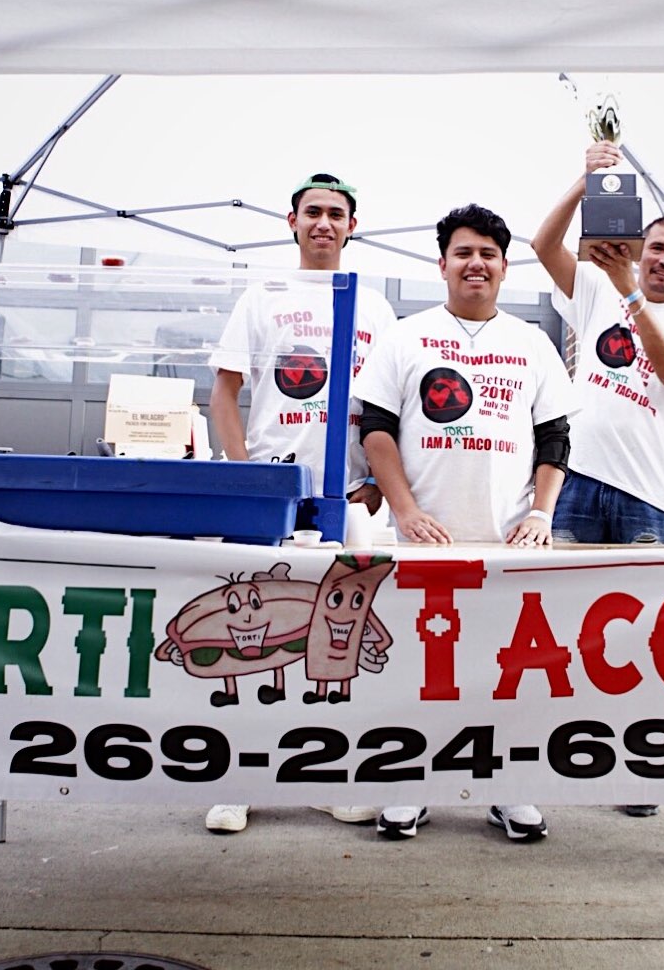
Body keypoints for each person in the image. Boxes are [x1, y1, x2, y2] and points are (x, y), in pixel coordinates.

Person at [353, 203, 573, 843]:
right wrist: (405, 509)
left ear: (505, 266)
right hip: (424, 542)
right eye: (464, 253)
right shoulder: (406, 336)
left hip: (509, 543)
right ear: (442, 263)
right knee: (422, 669)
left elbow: (555, 438)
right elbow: (377, 430)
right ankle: (411, 784)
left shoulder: (531, 343)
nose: (476, 264)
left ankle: (508, 788)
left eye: (488, 254)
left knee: (505, 671)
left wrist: (541, 513)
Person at [203, 171, 397, 836]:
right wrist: (243, 477)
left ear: (351, 226)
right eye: (312, 212)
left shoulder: (373, 306)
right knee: (251, 636)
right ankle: (236, 781)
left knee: (335, 641)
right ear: (291, 222)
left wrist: (377, 480)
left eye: (335, 213)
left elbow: (388, 406)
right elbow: (225, 392)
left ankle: (326, 776)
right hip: (272, 498)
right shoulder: (263, 295)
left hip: (348, 500)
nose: (323, 223)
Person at [531, 141, 664, 548]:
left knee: (645, 591)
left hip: (649, 492)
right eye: (657, 247)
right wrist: (585, 184)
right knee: (565, 584)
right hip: (578, 476)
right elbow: (543, 246)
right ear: (639, 251)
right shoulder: (598, 287)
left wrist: (631, 294)